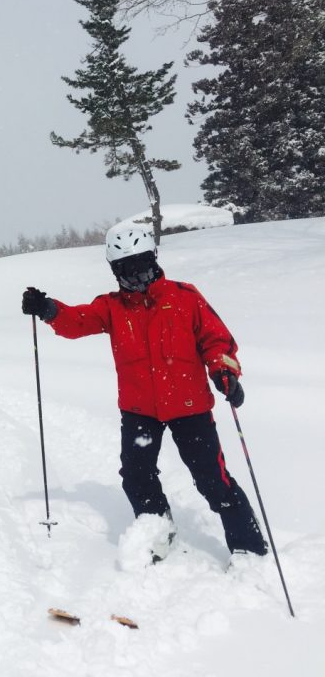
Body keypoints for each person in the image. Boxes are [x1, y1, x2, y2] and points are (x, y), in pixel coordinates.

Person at [21, 223, 267, 559]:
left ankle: (249, 548)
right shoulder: (112, 306)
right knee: (137, 476)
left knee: (213, 479)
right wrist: (49, 309)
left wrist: (225, 372)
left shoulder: (184, 297)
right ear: (114, 270)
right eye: (125, 268)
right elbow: (78, 320)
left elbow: (216, 340)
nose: (134, 275)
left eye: (140, 264)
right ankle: (157, 535)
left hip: (189, 406)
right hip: (139, 410)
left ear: (153, 258)